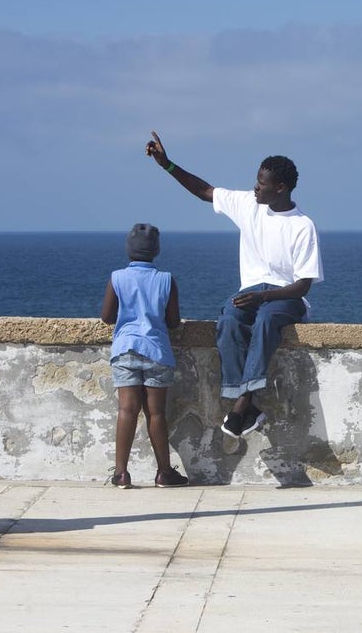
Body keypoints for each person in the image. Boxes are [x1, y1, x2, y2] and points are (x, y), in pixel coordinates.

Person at [145, 131, 323, 440]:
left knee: (266, 319)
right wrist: (167, 164)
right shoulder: (248, 204)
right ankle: (247, 404)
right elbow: (205, 190)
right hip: (252, 293)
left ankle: (242, 403)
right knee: (228, 318)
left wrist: (263, 296)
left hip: (286, 296)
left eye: (262, 183)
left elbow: (303, 285)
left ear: (280, 188)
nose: (255, 187)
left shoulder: (302, 226)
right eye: (257, 180)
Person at [101, 223, 188, 488]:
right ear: (156, 250)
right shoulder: (166, 279)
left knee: (126, 410)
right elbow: (173, 321)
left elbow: (107, 317)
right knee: (156, 413)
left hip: (125, 348)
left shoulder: (117, 278)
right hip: (157, 350)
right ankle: (164, 472)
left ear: (128, 249)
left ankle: (121, 473)